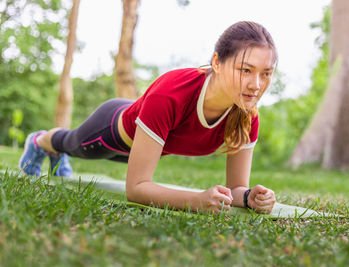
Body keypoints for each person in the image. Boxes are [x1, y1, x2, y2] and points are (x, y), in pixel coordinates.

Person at [19, 21, 277, 214]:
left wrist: (249, 197)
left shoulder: (247, 116)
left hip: (147, 143)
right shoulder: (172, 93)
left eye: (266, 73)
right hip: (112, 132)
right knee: (70, 143)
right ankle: (40, 142)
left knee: (70, 146)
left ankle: (53, 151)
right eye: (246, 70)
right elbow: (137, 188)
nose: (256, 84)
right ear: (217, 62)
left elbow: (236, 188)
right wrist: (197, 201)